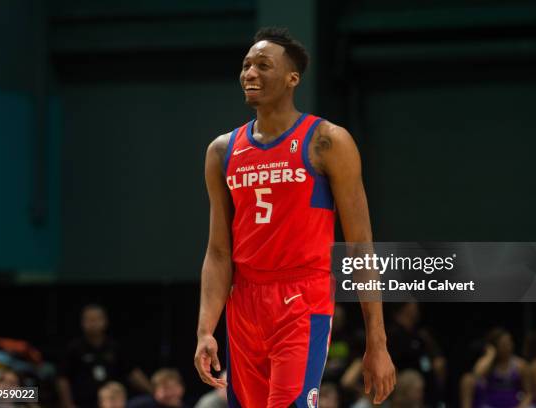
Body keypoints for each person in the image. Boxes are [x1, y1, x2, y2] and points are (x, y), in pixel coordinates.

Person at [194, 26, 395, 407]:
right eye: (246, 65)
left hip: (302, 298)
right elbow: (219, 252)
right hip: (244, 303)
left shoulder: (328, 141)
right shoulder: (221, 151)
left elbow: (361, 245)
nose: (250, 73)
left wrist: (377, 343)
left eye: (263, 65)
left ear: (292, 78)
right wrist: (206, 329)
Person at [57, 304, 152, 408]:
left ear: (105, 321)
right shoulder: (73, 348)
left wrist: (153, 391)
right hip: (83, 403)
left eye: (97, 319)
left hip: (112, 403)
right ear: (82, 322)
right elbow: (62, 378)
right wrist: (67, 404)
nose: (93, 323)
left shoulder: (115, 347)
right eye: (89, 319)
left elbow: (131, 371)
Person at [460, 328, 532, 408]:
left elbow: (529, 393)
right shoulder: (489, 365)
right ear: (496, 347)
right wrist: (490, 354)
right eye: (503, 344)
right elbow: (477, 375)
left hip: (514, 405)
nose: (508, 346)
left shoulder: (520, 365)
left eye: (509, 342)